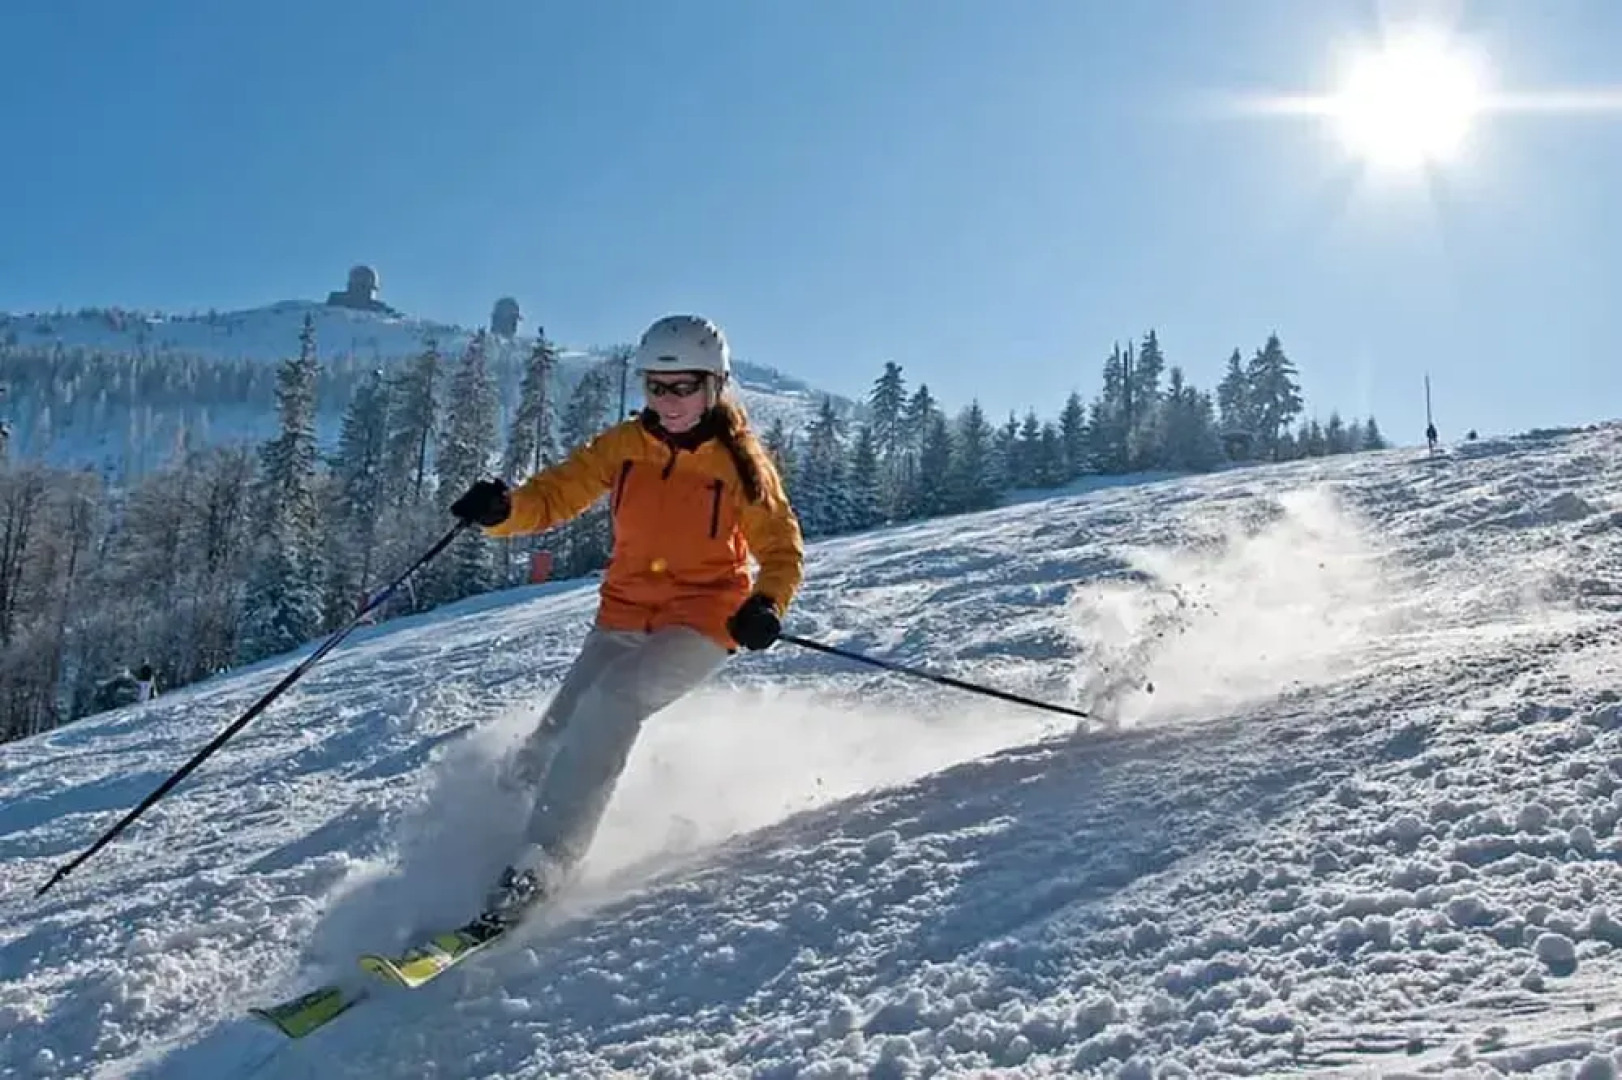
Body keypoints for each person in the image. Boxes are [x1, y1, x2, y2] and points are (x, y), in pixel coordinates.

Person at [449, 313, 805, 924]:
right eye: (655, 387)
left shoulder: (742, 463)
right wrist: (503, 511)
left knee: (613, 702)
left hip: (703, 620)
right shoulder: (624, 447)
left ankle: (544, 866)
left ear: (716, 385)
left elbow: (781, 548)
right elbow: (555, 494)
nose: (667, 402)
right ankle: (477, 851)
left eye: (683, 387)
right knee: (552, 740)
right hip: (623, 613)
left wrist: (766, 604)